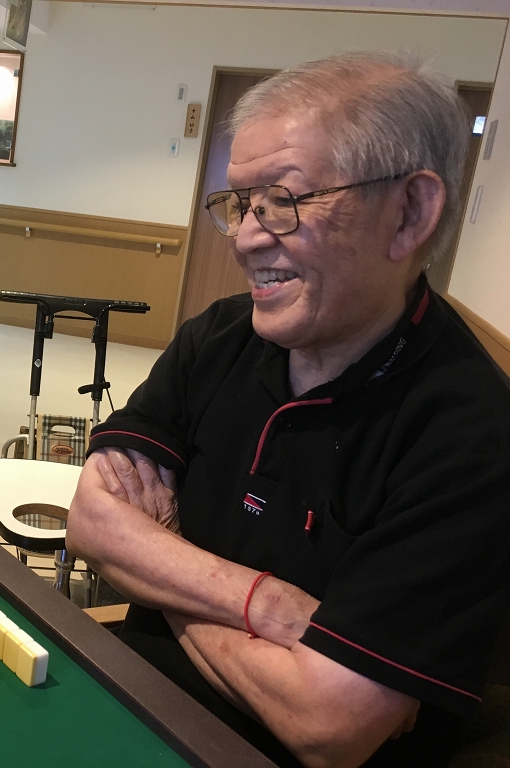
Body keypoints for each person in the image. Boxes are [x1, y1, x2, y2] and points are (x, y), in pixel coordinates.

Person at [66, 51, 510, 768]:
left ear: (409, 214)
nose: (246, 238)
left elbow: (327, 725)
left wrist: (161, 566)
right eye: (241, 203)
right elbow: (92, 522)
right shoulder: (218, 336)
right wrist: (266, 604)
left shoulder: (472, 434)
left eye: (284, 200)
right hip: (131, 698)